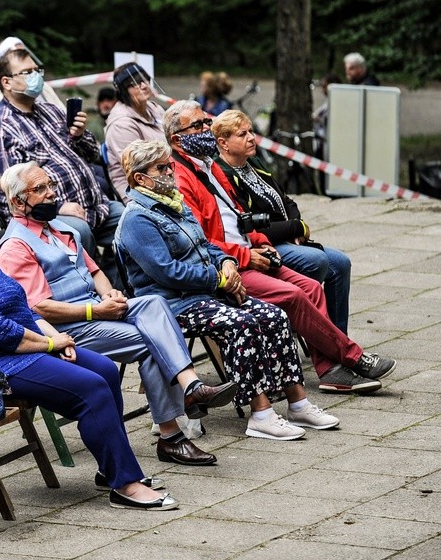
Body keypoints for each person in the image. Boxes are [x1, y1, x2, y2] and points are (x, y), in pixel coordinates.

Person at [0, 187, 178, 510]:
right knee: (92, 388)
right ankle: (125, 484)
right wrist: (49, 344)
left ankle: (111, 466)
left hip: (19, 349)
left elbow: (25, 310)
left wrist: (57, 340)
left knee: (104, 370)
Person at [0, 162, 237, 463]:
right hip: (71, 328)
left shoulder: (60, 228)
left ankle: (192, 388)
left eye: (50, 185)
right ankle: (172, 434)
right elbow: (38, 308)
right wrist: (97, 310)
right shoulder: (16, 246)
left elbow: (95, 271)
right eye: (40, 189)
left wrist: (109, 293)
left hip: (98, 309)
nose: (51, 193)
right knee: (151, 342)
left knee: (153, 302)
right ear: (18, 201)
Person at [164, 100, 396, 393]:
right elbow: (201, 242)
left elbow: (241, 216)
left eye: (205, 122)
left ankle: (331, 371)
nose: (205, 129)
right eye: (197, 126)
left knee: (311, 286)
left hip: (250, 251)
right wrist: (248, 254)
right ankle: (353, 357)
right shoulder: (181, 178)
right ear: (177, 139)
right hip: (224, 267)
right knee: (296, 293)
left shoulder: (210, 166)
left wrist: (262, 243)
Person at [116, 140, 340, 440]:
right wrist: (218, 279)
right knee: (242, 323)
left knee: (274, 315)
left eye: (170, 164)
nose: (170, 171)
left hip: (205, 291)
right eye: (161, 168)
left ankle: (298, 402)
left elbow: (206, 243)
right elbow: (167, 272)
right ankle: (260, 413)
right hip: (172, 304)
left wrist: (227, 264)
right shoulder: (137, 218)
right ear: (140, 178)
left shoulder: (174, 202)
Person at [0, 48, 123, 283]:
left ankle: (118, 288)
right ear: (6, 82)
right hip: (50, 216)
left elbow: (92, 155)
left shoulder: (52, 111)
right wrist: (58, 208)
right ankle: (90, 296)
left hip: (96, 207)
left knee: (132, 217)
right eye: (27, 72)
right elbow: (12, 191)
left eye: (37, 70)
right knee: (78, 231)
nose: (36, 77)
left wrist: (78, 134)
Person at [213, 109, 354, 334]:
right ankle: (308, 327)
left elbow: (285, 199)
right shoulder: (223, 175)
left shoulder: (253, 163)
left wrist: (298, 225)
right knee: (316, 260)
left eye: (251, 131)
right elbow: (251, 225)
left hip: (287, 238)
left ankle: (338, 337)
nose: (251, 137)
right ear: (224, 143)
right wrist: (296, 227)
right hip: (262, 244)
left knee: (341, 263)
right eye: (242, 134)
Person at [104, 62, 167, 203]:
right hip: (138, 190)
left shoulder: (154, 108)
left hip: (166, 175)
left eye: (145, 80)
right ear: (123, 91)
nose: (144, 86)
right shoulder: (121, 124)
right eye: (135, 84)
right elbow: (140, 168)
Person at [0, 36, 65, 123]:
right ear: (6, 81)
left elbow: (63, 118)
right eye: (27, 72)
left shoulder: (45, 88)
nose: (34, 75)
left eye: (35, 70)